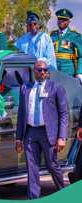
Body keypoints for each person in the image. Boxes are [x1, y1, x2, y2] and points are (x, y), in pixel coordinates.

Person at [16, 59, 68, 199]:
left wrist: (62, 137)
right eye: (40, 70)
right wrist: (19, 138)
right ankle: (34, 198)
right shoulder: (25, 88)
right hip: (30, 132)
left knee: (52, 165)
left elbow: (64, 114)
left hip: (48, 132)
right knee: (32, 169)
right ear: (35, 72)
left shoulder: (56, 88)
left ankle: (64, 194)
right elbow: (21, 114)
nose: (43, 72)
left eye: (45, 70)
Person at [50, 8, 82, 82]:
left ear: (69, 21)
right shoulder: (52, 35)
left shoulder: (75, 36)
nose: (61, 21)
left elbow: (81, 56)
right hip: (53, 72)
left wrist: (79, 72)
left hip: (68, 72)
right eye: (59, 19)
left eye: (64, 20)